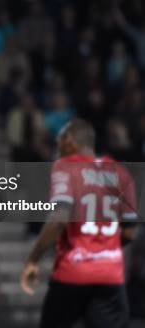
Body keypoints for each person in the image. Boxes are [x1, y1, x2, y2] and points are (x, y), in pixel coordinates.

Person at [20, 119, 138, 328]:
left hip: (73, 271)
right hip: (109, 275)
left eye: (60, 140)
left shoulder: (66, 168)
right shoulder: (121, 173)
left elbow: (59, 220)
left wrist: (33, 260)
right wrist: (102, 247)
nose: (57, 145)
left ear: (71, 141)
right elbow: (129, 233)